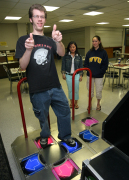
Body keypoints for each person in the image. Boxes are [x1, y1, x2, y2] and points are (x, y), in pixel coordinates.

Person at [15, 4, 76, 148]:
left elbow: (61, 53)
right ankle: (44, 135)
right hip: (37, 88)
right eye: (36, 16)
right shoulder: (23, 40)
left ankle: (65, 136)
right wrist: (29, 49)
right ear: (31, 19)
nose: (40, 19)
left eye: (42, 16)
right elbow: (22, 66)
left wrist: (58, 41)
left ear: (45, 19)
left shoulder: (50, 40)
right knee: (42, 116)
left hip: (55, 86)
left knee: (64, 111)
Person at [84, 35, 108, 111]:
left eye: (96, 41)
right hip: (90, 75)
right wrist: (89, 71)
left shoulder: (103, 52)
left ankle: (98, 104)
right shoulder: (89, 52)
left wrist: (100, 72)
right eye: (93, 41)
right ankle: (89, 103)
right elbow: (86, 63)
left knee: (99, 91)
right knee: (90, 91)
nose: (94, 43)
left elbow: (105, 64)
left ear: (99, 42)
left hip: (99, 76)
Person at [61, 41, 83, 109]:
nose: (72, 48)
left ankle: (76, 103)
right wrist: (63, 74)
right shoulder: (66, 56)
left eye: (73, 47)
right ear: (69, 48)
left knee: (76, 89)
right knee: (70, 90)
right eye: (70, 47)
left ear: (76, 47)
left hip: (76, 75)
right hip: (68, 75)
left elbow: (81, 66)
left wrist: (81, 75)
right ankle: (71, 103)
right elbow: (63, 65)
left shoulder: (79, 56)